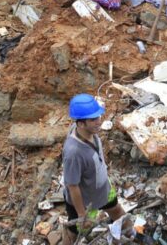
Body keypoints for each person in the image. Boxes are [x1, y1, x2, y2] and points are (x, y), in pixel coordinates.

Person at [62, 94, 126, 245]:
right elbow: (72, 185)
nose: (99, 121)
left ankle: (129, 233)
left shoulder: (89, 132)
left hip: (103, 189)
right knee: (76, 232)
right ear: (81, 124)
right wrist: (81, 214)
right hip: (85, 202)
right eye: (93, 119)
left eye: (98, 116)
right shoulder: (73, 153)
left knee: (116, 210)